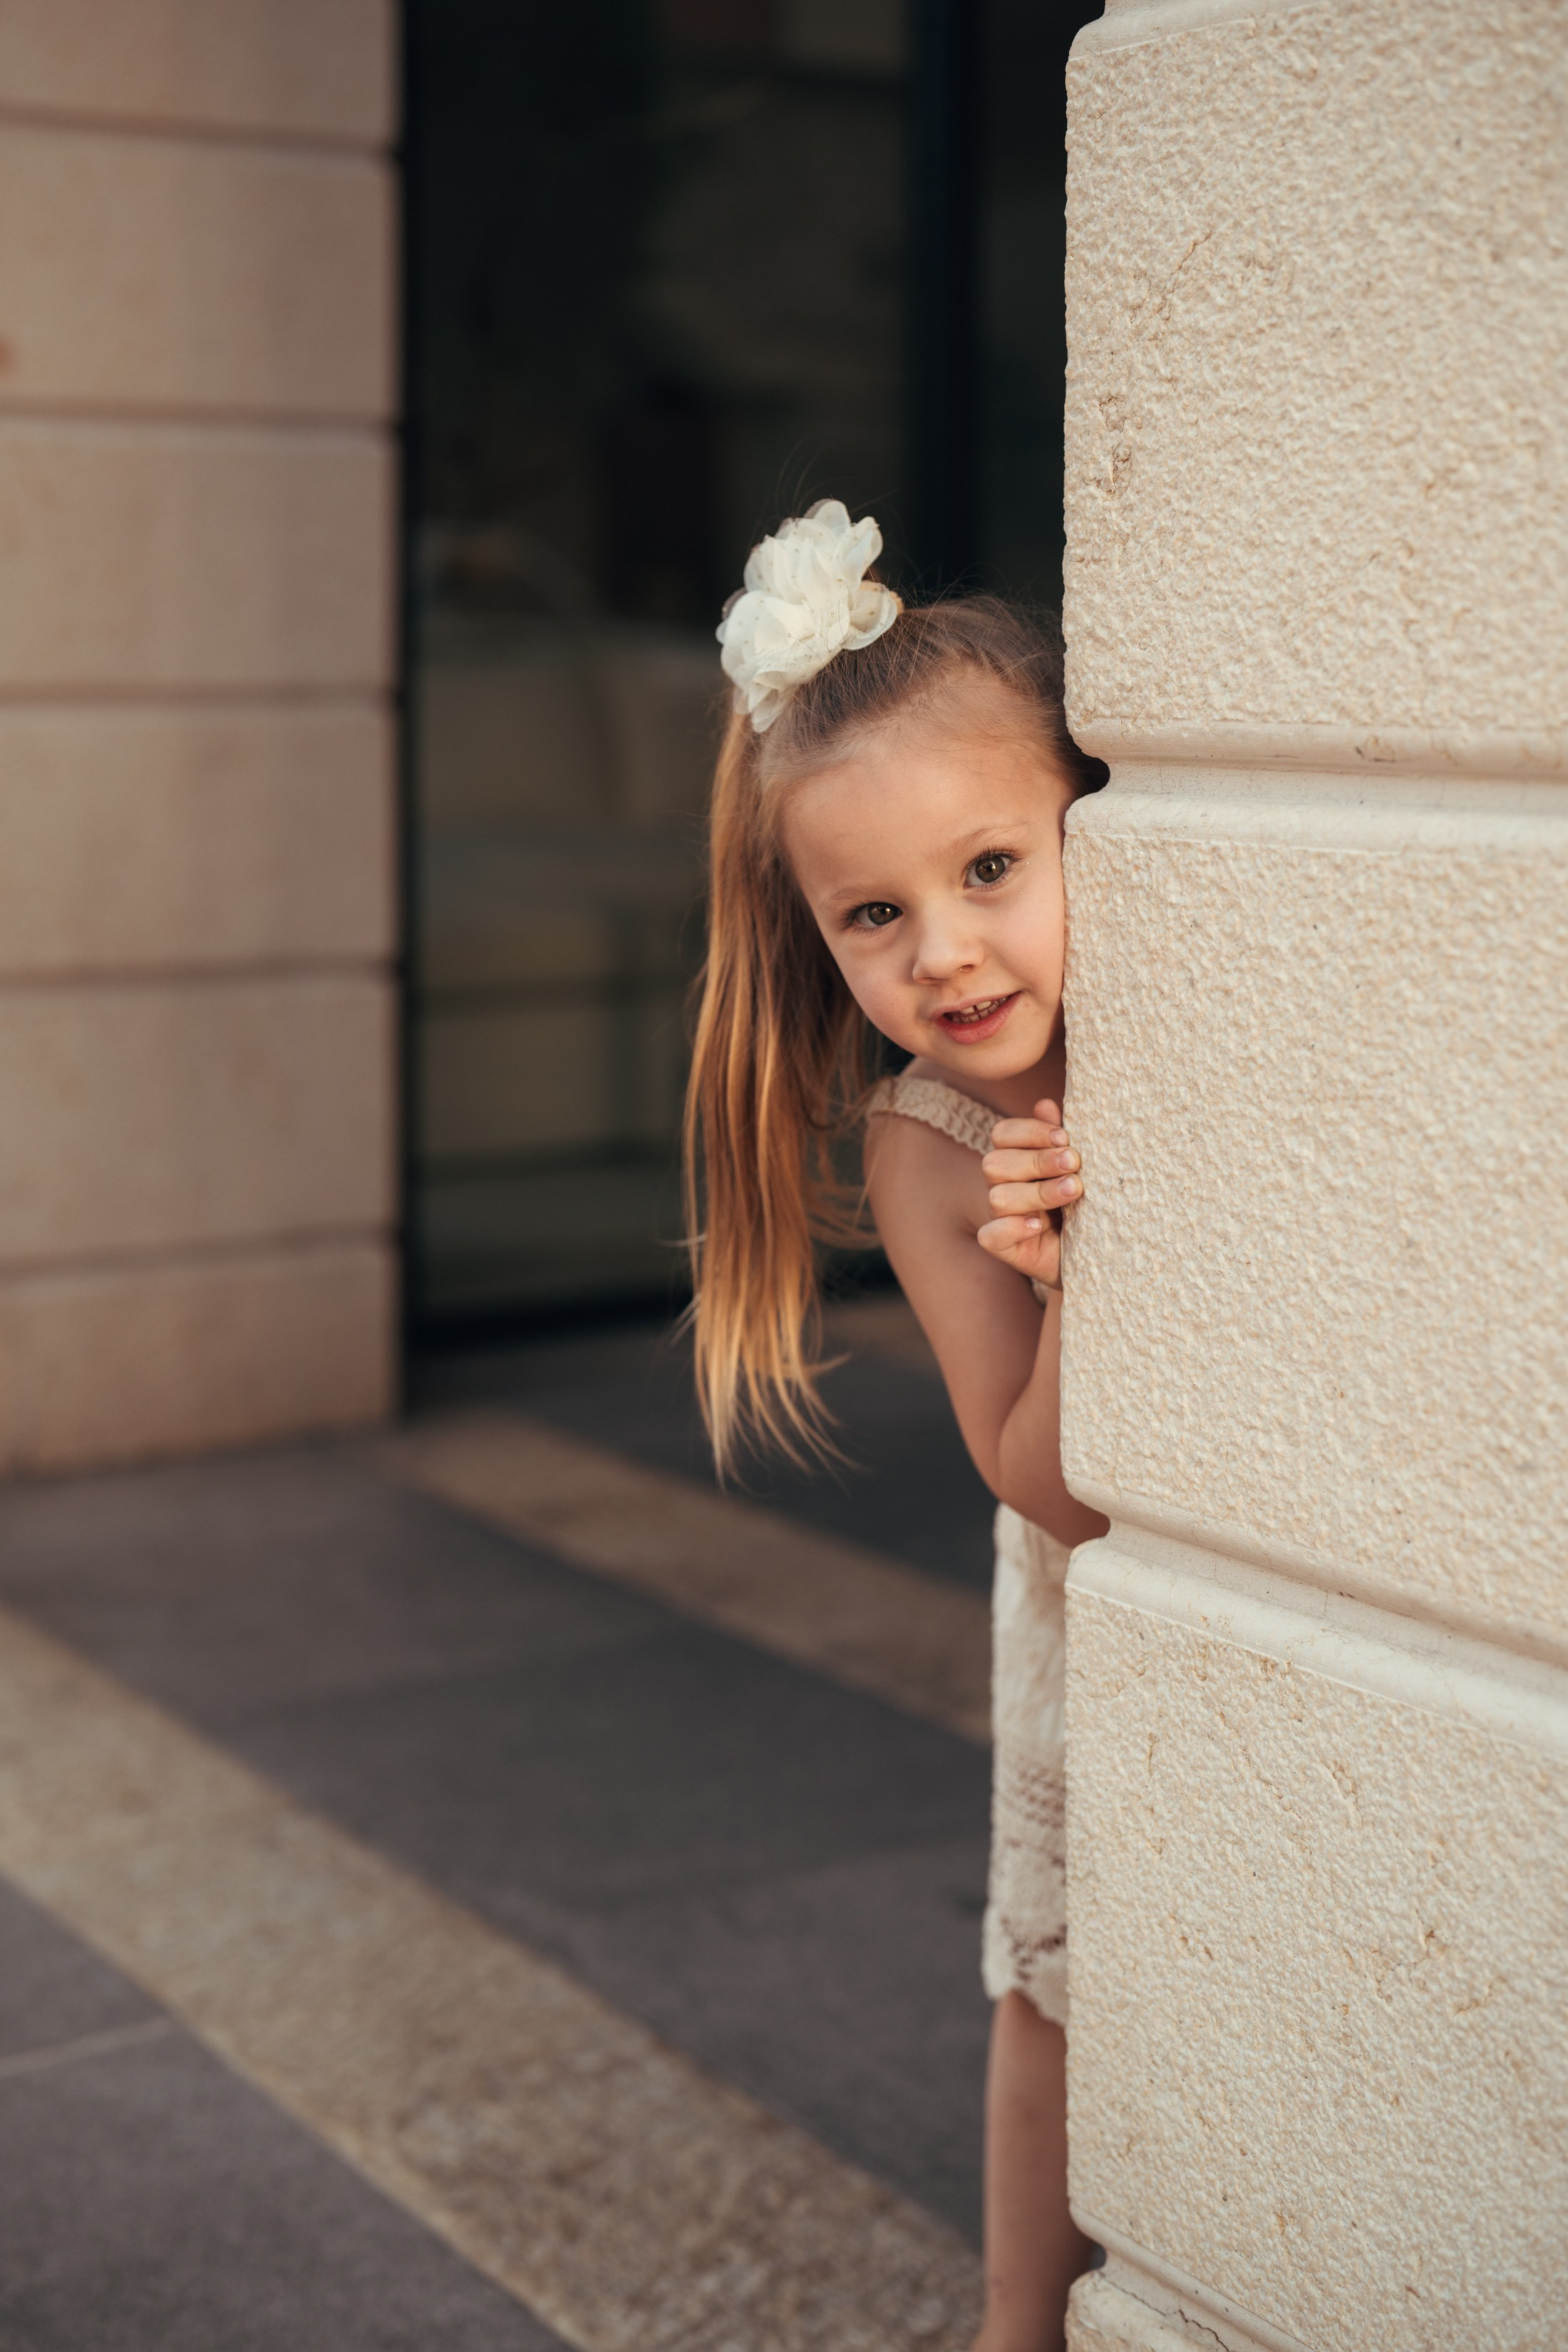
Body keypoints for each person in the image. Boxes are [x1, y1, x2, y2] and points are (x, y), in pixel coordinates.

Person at [683, 500, 1109, 2351]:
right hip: (1083, 1607)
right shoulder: (929, 1140)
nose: (945, 950)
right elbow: (1036, 1472)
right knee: (1059, 1969)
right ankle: (1023, 2323)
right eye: (876, 913)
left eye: (993, 866)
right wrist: (1103, 1267)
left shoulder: (1192, 1024)